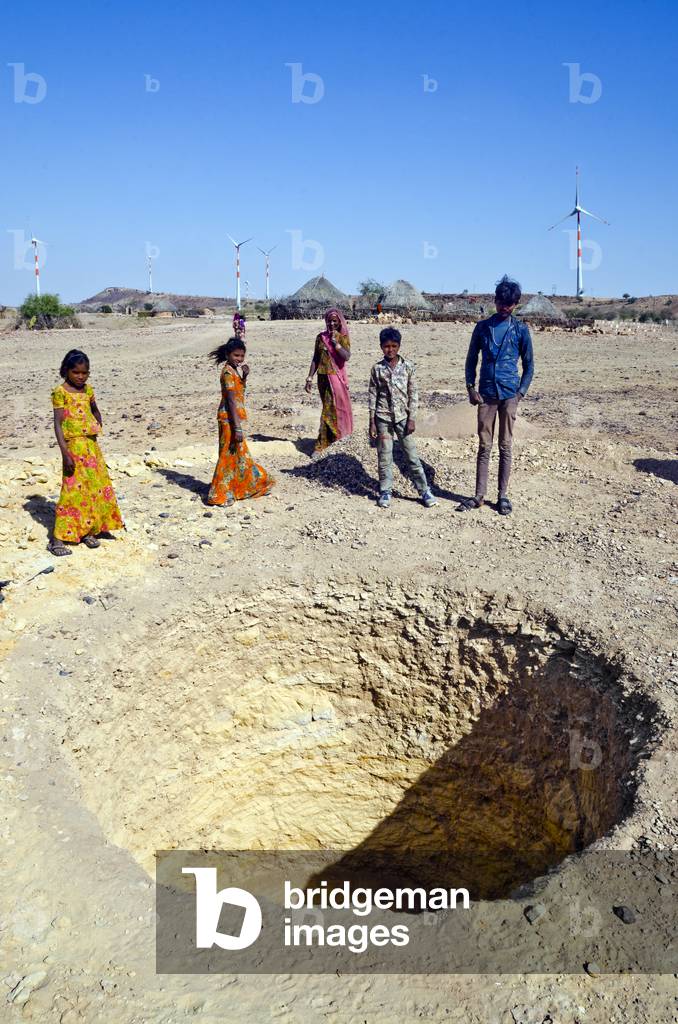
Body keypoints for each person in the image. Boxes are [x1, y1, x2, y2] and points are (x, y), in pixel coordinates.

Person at [458, 275, 534, 516]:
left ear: (516, 304)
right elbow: (471, 360)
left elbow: (529, 365)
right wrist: (471, 387)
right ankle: (479, 495)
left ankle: (502, 496)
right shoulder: (482, 328)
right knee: (484, 446)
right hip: (487, 395)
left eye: (509, 304)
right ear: (495, 300)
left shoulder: (520, 330)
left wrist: (521, 392)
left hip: (510, 394)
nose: (504, 307)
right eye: (501, 302)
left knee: (505, 446)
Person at [49, 349, 124, 556]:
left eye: (85, 373)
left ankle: (88, 530)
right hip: (73, 448)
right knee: (71, 491)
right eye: (76, 373)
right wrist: (65, 453)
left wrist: (97, 420)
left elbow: (94, 409)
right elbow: (58, 424)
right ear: (66, 371)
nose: (81, 376)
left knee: (94, 489)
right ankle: (58, 539)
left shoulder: (88, 390)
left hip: (91, 448)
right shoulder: (60, 392)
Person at [368, 327, 438, 509]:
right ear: (381, 347)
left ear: (399, 346)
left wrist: (412, 418)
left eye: (393, 346)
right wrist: (372, 422)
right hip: (383, 418)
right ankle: (385, 491)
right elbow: (372, 395)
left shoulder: (408, 367)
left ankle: (424, 490)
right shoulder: (377, 369)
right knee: (384, 457)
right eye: (386, 346)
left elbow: (413, 394)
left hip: (402, 419)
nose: (389, 350)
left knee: (412, 456)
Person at [206, 337, 274, 506]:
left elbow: (238, 392)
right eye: (236, 355)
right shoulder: (228, 373)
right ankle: (219, 494)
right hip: (229, 419)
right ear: (228, 354)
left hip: (233, 419)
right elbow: (230, 401)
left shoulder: (234, 371)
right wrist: (236, 428)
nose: (240, 359)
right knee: (227, 456)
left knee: (239, 455)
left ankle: (240, 487)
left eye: (242, 356)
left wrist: (244, 376)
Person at [305, 308, 353, 452]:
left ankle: (327, 442)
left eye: (334, 321)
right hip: (323, 378)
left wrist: (336, 344)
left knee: (333, 409)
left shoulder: (342, 337)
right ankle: (330, 440)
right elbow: (316, 358)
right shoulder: (320, 338)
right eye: (329, 321)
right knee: (328, 408)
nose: (331, 324)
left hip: (337, 379)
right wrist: (309, 378)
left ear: (339, 322)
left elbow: (347, 356)